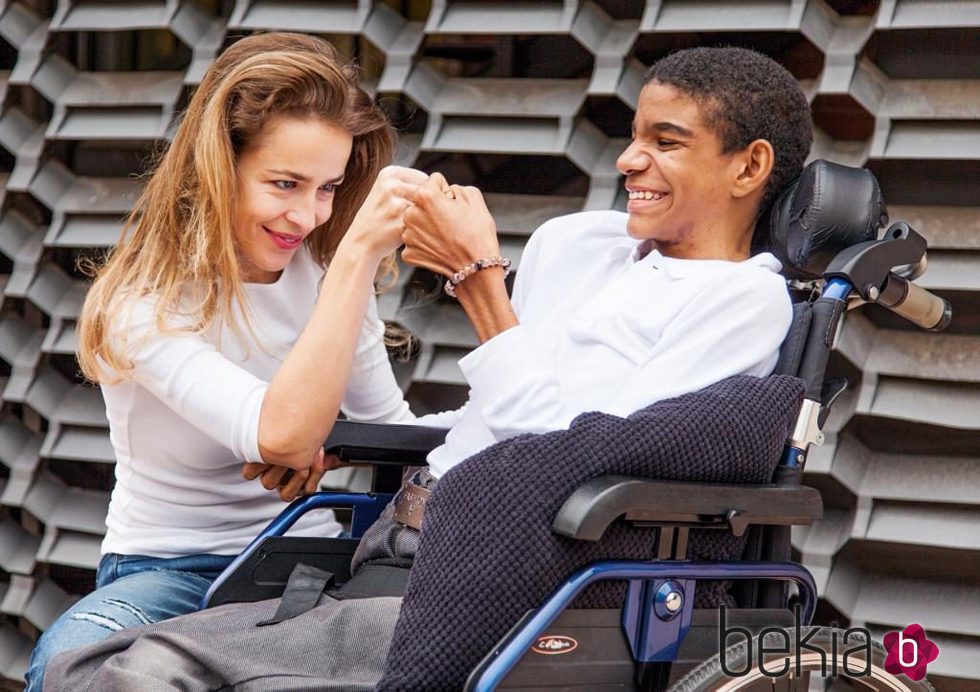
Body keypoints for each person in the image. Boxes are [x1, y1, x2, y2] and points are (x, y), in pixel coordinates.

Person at [42, 45, 814, 690]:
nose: (627, 159)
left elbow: (569, 461)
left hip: (507, 571)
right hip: (368, 544)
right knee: (105, 666)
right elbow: (481, 423)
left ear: (749, 168)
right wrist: (336, 442)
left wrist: (481, 286)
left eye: (666, 141)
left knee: (144, 674)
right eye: (634, 133)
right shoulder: (577, 244)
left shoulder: (741, 302)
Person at [25, 32, 446, 691]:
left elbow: (389, 427)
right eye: (284, 184)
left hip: (309, 561)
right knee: (69, 664)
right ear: (220, 166)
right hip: (171, 573)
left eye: (330, 188)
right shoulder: (143, 306)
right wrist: (360, 258)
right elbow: (278, 432)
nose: (308, 216)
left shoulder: (329, 274)